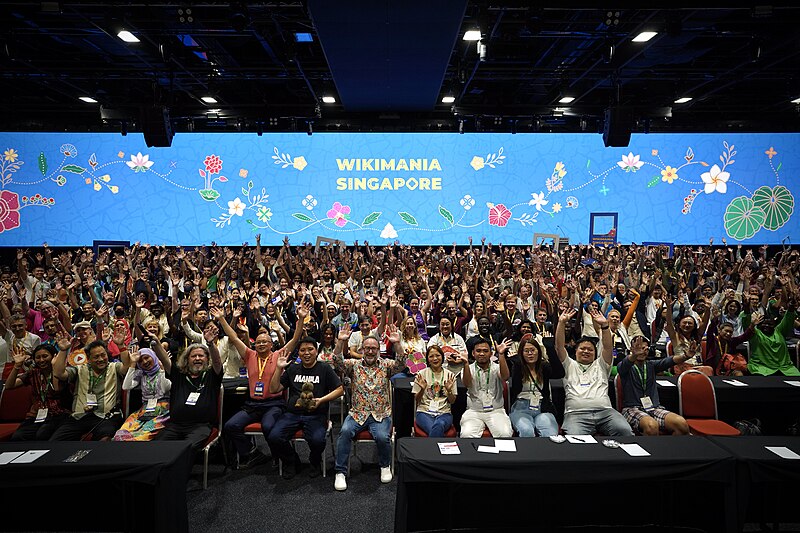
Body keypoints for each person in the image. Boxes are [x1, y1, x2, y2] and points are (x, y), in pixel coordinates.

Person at [214, 303, 308, 470]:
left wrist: (300, 318)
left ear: (271, 345)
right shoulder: (249, 354)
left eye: (265, 342)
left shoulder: (279, 354)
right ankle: (251, 453)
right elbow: (234, 338)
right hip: (253, 404)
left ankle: (277, 456)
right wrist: (222, 319)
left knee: (268, 427)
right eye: (258, 342)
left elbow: (295, 339)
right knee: (230, 426)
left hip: (273, 404)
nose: (261, 344)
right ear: (254, 344)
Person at [333, 328, 405, 491]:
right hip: (357, 413)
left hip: (380, 414)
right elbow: (337, 361)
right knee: (344, 432)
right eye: (368, 348)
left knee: (381, 436)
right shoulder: (354, 365)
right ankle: (340, 472)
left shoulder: (386, 366)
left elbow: (402, 363)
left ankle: (385, 466)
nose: (371, 351)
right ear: (362, 350)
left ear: (378, 350)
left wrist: (397, 344)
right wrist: (341, 341)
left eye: (374, 348)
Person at [268, 336, 344, 479]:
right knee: (274, 437)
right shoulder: (292, 369)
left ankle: (314, 461)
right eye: (302, 350)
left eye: (310, 349)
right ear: (299, 352)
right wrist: (279, 369)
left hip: (316, 415)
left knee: (317, 440)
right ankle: (292, 461)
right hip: (292, 414)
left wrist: (321, 400)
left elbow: (340, 390)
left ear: (316, 351)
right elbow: (273, 389)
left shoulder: (324, 368)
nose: (306, 353)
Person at [555, 308, 633, 437]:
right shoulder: (569, 365)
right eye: (582, 349)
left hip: (606, 413)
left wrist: (605, 326)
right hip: (576, 414)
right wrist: (562, 323)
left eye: (590, 350)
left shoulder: (601, 365)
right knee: (576, 440)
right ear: (575, 351)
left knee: (626, 432)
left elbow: (608, 347)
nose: (586, 351)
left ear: (595, 353)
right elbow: (559, 347)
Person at [50, 334, 129, 441]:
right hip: (79, 416)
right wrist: (63, 351)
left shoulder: (114, 367)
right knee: (55, 441)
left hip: (106, 416)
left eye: (103, 355)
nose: (101, 359)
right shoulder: (79, 369)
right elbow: (59, 374)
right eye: (96, 357)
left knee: (105, 439)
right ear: (88, 359)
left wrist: (121, 346)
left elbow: (127, 368)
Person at [155, 332, 223, 450]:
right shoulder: (179, 375)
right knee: (157, 446)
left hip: (200, 426)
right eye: (193, 356)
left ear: (207, 359)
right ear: (187, 359)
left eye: (201, 356)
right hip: (175, 426)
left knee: (186, 448)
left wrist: (211, 344)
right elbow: (164, 358)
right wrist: (156, 342)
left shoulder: (211, 376)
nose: (197, 359)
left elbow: (217, 362)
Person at [617, 334, 691, 435]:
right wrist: (634, 355)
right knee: (651, 425)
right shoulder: (626, 366)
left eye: (645, 349)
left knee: (681, 424)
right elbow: (622, 366)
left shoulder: (651, 365)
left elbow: (670, 361)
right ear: (631, 349)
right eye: (638, 348)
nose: (642, 351)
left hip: (653, 407)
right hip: (632, 408)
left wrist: (685, 356)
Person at [6, 344, 71, 441]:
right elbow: (9, 386)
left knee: (42, 434)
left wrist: (54, 365)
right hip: (37, 415)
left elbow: (56, 389)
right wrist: (17, 366)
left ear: (53, 356)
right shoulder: (33, 373)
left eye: (45, 356)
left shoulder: (61, 372)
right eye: (38, 357)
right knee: (18, 436)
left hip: (58, 414)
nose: (41, 360)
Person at [113, 344, 171, 441]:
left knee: (140, 437)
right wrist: (133, 364)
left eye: (147, 358)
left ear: (153, 356)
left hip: (163, 410)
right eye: (140, 361)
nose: (144, 362)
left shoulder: (165, 371)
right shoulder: (141, 374)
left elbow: (165, 388)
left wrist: (162, 369)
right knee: (120, 435)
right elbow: (126, 386)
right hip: (144, 410)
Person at [508, 335, 563, 437]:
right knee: (526, 431)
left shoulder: (544, 367)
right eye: (526, 351)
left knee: (550, 433)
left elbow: (560, 373)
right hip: (521, 407)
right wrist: (517, 364)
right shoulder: (518, 366)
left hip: (542, 407)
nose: (530, 354)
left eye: (533, 350)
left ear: (538, 351)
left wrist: (550, 347)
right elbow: (516, 387)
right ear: (521, 353)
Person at [459, 337, 513, 438]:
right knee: (466, 435)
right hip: (474, 411)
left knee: (505, 434)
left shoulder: (497, 367)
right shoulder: (468, 368)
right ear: (473, 353)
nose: (482, 354)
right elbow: (466, 384)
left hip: (496, 411)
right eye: (478, 351)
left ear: (491, 353)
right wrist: (465, 363)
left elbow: (505, 377)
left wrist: (501, 354)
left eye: (485, 351)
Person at [413, 344, 461, 437]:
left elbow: (452, 401)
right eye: (431, 356)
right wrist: (422, 389)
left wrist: (449, 391)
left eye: (438, 355)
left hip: (444, 413)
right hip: (424, 412)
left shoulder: (450, 375)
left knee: (439, 425)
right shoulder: (421, 374)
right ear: (428, 359)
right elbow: (417, 400)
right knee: (435, 429)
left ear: (442, 357)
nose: (435, 358)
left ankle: (431, 451)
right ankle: (438, 450)